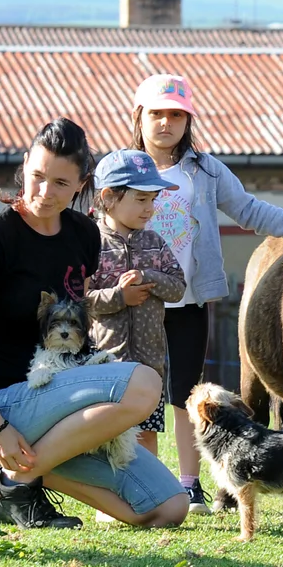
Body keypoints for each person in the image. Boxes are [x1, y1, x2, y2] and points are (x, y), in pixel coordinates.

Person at [0, 118, 188, 530]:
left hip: (64, 402)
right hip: (4, 409)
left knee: (168, 509)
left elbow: (81, 319)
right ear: (24, 165)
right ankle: (15, 477)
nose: (44, 193)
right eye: (36, 177)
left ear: (82, 184)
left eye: (60, 184)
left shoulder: (83, 233)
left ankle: (17, 478)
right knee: (144, 384)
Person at [130, 73, 283, 511]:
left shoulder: (205, 170)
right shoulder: (121, 167)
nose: (165, 123)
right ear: (139, 117)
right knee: (141, 392)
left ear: (188, 121)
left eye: (176, 115)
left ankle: (189, 484)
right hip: (135, 303)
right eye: (156, 114)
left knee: (187, 393)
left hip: (188, 300)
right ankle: (148, 482)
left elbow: (248, 209)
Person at [87, 150, 187, 457]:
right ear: (108, 196)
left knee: (145, 437)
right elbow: (81, 301)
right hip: (106, 365)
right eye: (141, 200)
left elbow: (179, 288)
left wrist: (150, 276)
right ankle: (108, 505)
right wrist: (120, 296)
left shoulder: (154, 243)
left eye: (153, 200)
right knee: (106, 436)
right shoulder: (90, 242)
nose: (150, 209)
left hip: (150, 365)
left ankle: (148, 500)